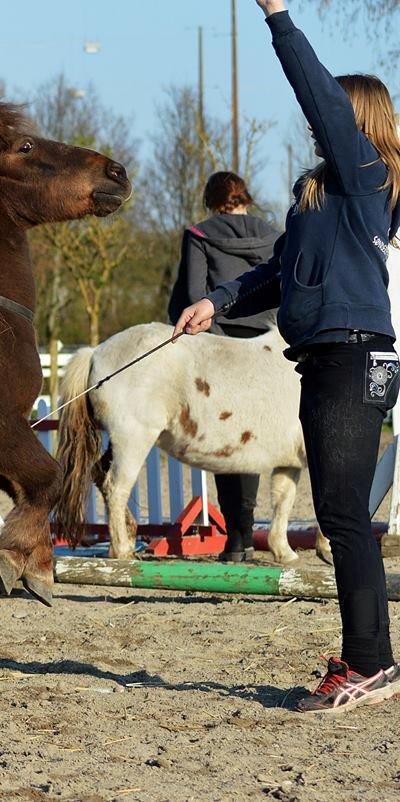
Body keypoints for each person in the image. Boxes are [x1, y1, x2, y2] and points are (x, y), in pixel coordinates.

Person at [175, 0, 400, 713]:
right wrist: (220, 300)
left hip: (355, 357)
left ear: (354, 121)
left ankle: (365, 663)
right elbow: (277, 271)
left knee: (339, 517)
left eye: (330, 113)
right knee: (339, 514)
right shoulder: (317, 201)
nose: (314, 123)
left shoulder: (365, 177)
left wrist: (276, 15)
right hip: (324, 359)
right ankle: (376, 660)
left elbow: (316, 95)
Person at [168, 171, 280, 563]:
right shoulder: (273, 233)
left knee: (226, 438)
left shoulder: (200, 234)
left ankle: (237, 537)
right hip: (269, 346)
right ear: (245, 197)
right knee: (258, 437)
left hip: (222, 344)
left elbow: (194, 292)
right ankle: (250, 532)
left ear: (211, 201)